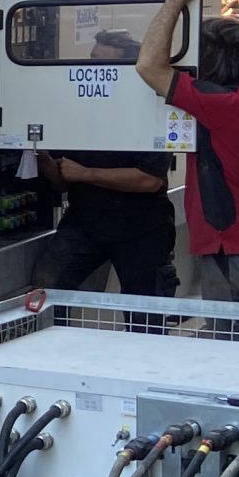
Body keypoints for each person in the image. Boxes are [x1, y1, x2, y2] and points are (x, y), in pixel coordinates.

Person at [134, 0, 239, 304]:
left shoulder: (224, 106)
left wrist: (175, 0)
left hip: (235, 248)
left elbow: (148, 66)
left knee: (230, 335)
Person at [35, 29, 177, 297]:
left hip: (141, 227)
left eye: (103, 62)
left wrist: (85, 174)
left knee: (145, 309)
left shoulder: (151, 110)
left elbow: (149, 180)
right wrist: (40, 157)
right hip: (85, 222)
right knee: (46, 290)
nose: (94, 68)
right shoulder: (77, 110)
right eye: (92, 58)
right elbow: (63, 180)